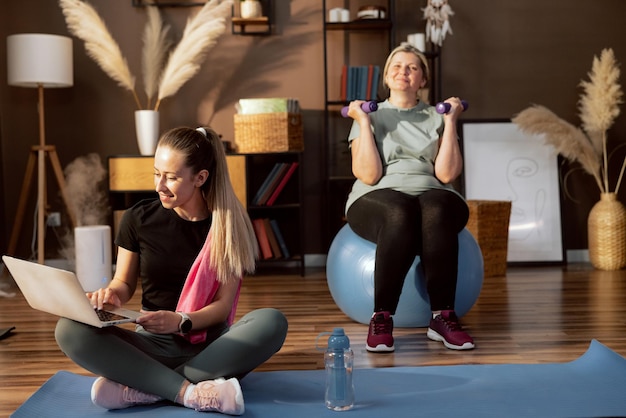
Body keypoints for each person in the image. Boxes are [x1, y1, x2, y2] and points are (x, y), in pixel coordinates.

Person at [55, 126, 288, 414]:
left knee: (272, 322)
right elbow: (122, 283)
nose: (159, 186)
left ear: (200, 177)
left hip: (212, 346)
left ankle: (146, 387)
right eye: (157, 173)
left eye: (172, 177)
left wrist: (180, 321)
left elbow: (223, 306)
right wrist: (111, 296)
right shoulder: (138, 218)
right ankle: (190, 392)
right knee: (69, 329)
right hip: (151, 344)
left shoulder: (228, 223)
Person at [343, 43, 474, 352]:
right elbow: (369, 175)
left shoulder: (437, 116)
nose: (404, 71)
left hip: (431, 194)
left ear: (422, 80)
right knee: (400, 210)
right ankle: (382, 317)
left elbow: (446, 175)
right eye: (397, 66)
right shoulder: (369, 115)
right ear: (387, 76)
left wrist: (451, 121)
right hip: (376, 198)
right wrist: (363, 121)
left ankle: (443, 317)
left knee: (437, 204)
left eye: (412, 67)